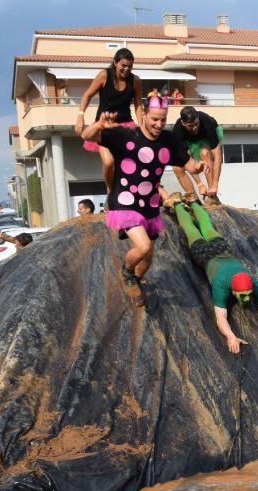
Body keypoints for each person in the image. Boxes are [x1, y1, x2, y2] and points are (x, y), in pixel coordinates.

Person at [81, 94, 206, 307]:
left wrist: (200, 166)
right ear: (144, 115)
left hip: (149, 205)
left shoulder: (169, 141)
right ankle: (127, 273)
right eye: (154, 119)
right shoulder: (125, 135)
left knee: (147, 258)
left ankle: (136, 281)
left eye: (163, 120)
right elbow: (86, 134)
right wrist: (100, 124)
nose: (159, 124)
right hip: (124, 200)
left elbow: (190, 165)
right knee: (144, 247)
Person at [169, 199, 258, 354]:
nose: (246, 300)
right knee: (190, 229)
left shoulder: (253, 283)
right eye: (242, 296)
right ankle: (178, 204)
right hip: (204, 254)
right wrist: (230, 336)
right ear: (232, 290)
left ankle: (193, 203)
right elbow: (220, 318)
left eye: (248, 295)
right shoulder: (221, 285)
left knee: (206, 226)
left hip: (222, 250)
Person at [74, 48, 143, 192]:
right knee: (109, 161)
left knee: (128, 162)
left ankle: (128, 191)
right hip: (104, 127)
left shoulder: (135, 81)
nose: (126, 69)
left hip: (125, 126)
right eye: (123, 65)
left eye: (130, 66)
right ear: (115, 63)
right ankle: (110, 191)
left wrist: (141, 126)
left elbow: (138, 105)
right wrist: (80, 116)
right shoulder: (104, 76)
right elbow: (87, 95)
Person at [170, 106, 224, 206]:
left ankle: (212, 196)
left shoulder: (207, 122)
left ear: (198, 118)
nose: (194, 128)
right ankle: (193, 199)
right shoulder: (178, 131)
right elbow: (185, 161)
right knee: (177, 168)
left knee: (204, 153)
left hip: (205, 136)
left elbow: (217, 157)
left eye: (196, 124)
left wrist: (215, 185)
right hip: (189, 140)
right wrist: (199, 184)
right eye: (190, 126)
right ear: (183, 123)